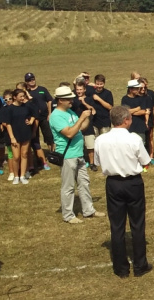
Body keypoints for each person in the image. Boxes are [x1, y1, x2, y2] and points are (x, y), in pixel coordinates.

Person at [94, 106, 153, 278]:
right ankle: (140, 264)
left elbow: (97, 162)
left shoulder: (101, 140)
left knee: (117, 225)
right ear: (126, 120)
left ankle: (121, 268)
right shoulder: (133, 138)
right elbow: (145, 160)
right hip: (133, 183)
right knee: (137, 223)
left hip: (113, 184)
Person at [49, 86, 104, 224]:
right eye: (68, 99)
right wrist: (81, 118)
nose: (71, 101)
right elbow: (69, 133)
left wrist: (88, 116)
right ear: (61, 100)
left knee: (84, 183)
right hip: (67, 155)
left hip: (78, 154)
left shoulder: (69, 112)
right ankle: (68, 215)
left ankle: (88, 210)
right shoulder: (56, 116)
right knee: (68, 187)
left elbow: (82, 127)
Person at [5, 89, 34, 185]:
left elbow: (34, 114)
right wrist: (12, 137)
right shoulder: (10, 108)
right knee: (16, 157)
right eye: (21, 96)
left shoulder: (26, 106)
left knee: (24, 154)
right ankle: (16, 176)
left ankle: (22, 176)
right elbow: (8, 124)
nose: (22, 98)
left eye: (23, 96)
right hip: (15, 135)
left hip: (26, 133)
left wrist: (31, 121)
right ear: (15, 97)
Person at [24, 73, 55, 151]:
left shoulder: (42, 89)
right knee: (34, 136)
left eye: (33, 79)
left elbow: (49, 101)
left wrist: (50, 113)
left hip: (44, 116)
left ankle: (52, 152)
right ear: (26, 82)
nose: (32, 81)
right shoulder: (26, 93)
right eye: (29, 80)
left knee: (49, 135)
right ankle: (37, 153)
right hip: (33, 118)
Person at [72, 82, 98, 172]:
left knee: (90, 146)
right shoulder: (73, 100)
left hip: (89, 126)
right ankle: (81, 163)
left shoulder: (89, 99)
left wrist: (84, 102)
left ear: (84, 90)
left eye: (80, 89)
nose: (79, 91)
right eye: (77, 90)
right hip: (77, 126)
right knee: (79, 146)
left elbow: (93, 111)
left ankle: (92, 163)